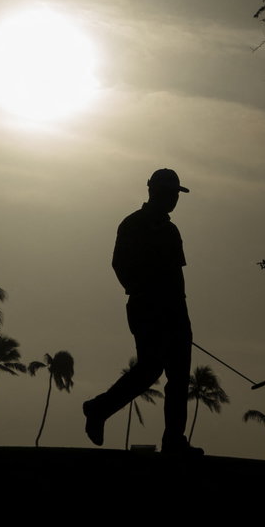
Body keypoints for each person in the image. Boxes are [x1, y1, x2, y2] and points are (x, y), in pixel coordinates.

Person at [82, 168, 201, 455]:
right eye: (170, 193)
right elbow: (120, 265)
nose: (174, 199)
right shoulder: (133, 225)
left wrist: (179, 313)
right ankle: (99, 408)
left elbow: (177, 275)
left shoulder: (172, 231)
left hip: (175, 309)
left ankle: (174, 439)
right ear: (154, 192)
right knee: (150, 369)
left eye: (175, 194)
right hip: (146, 307)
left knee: (179, 375)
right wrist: (147, 294)